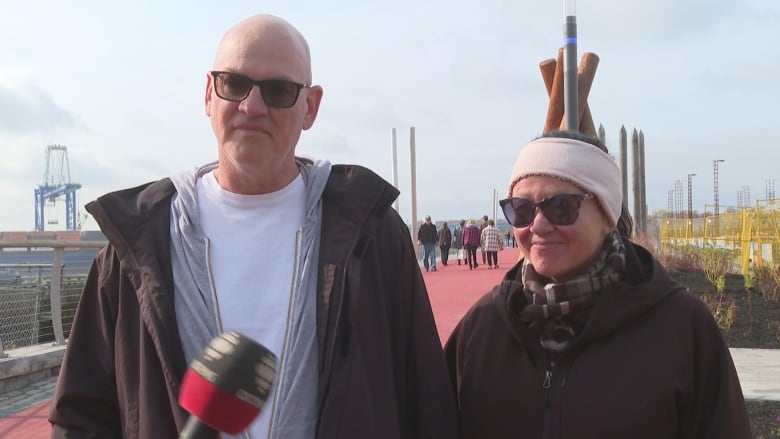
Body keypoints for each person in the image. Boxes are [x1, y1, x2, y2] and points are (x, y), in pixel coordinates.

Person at [49, 15, 459, 439]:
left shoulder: (371, 235)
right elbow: (83, 415)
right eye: (234, 84)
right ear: (209, 93)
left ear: (310, 108)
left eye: (279, 90)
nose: (252, 106)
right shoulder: (136, 245)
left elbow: (424, 399)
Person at [444, 131, 751, 438]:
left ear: (607, 215)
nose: (537, 225)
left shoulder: (682, 327)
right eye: (521, 210)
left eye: (561, 207)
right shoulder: (483, 326)